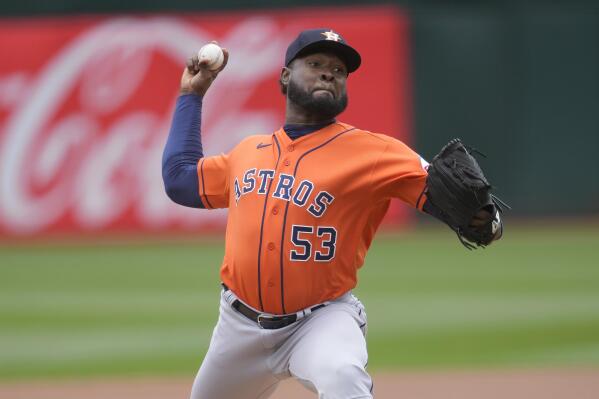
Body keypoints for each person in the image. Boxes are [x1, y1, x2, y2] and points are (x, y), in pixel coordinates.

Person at [162, 28, 502, 399]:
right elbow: (180, 180)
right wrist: (192, 94)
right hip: (237, 327)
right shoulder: (248, 151)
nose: (329, 73)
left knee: (342, 375)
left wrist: (485, 219)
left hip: (320, 321)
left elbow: (461, 207)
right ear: (285, 76)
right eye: (315, 63)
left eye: (339, 70)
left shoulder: (375, 153)